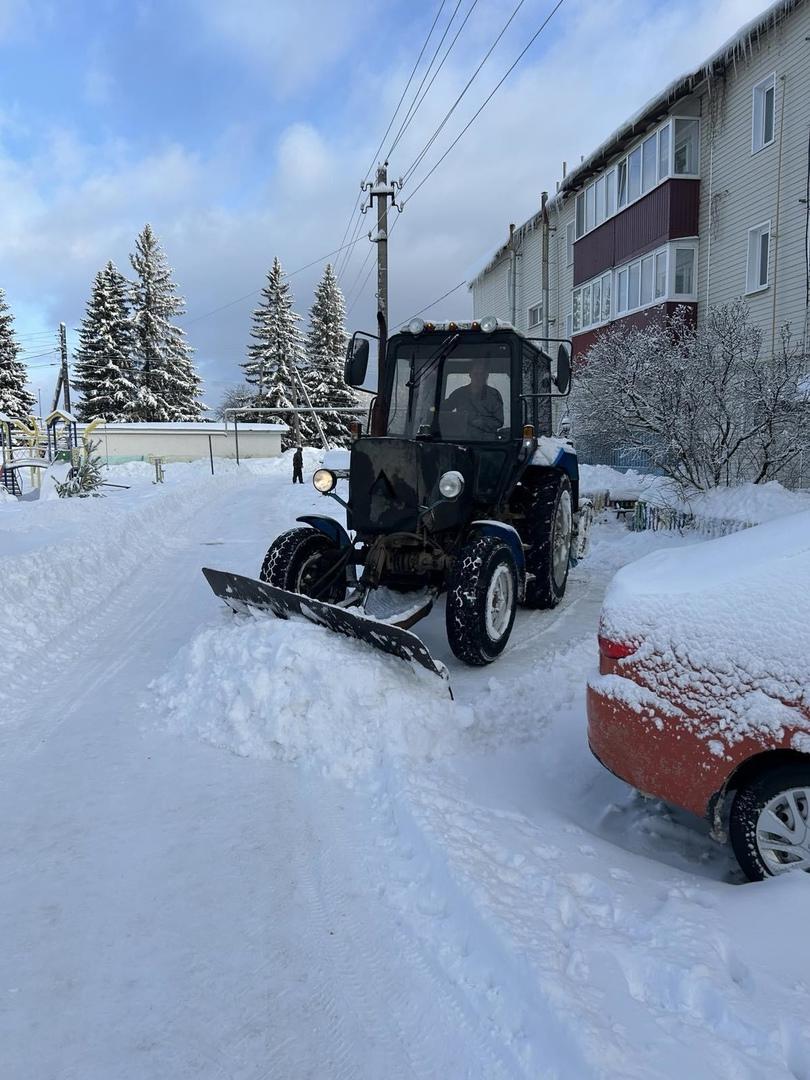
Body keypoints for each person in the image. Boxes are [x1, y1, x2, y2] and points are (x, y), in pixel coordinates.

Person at [443, 357, 504, 438]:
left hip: (487, 443)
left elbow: (499, 421)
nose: (479, 377)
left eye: (481, 374)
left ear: (486, 375)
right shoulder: (459, 393)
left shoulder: (494, 395)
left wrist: (483, 422)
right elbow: (444, 409)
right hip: (462, 441)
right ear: (470, 375)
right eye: (476, 374)